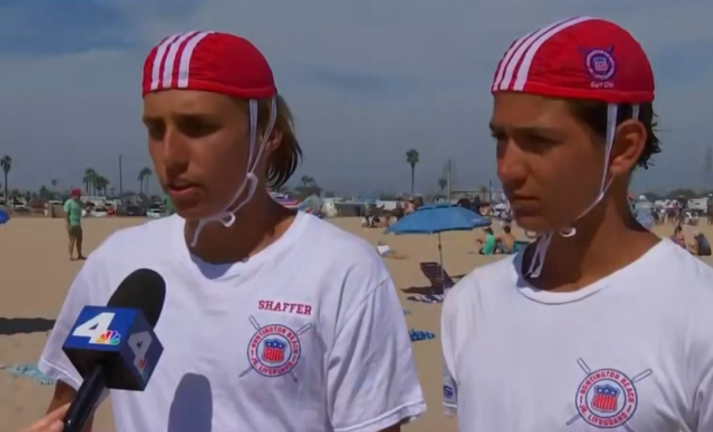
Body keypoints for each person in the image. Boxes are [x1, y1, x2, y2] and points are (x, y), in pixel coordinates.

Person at [30, 31, 424, 432]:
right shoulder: (116, 264)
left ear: (267, 133)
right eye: (155, 129)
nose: (171, 157)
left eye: (197, 127)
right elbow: (69, 408)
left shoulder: (343, 272)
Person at [441, 17, 713, 432]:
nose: (507, 168)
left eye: (538, 142)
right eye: (499, 139)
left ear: (623, 147)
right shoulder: (470, 304)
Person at [63, 188, 85, 260]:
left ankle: (79, 254)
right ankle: (70, 255)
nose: (79, 196)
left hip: (78, 224)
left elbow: (84, 207)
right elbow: (66, 215)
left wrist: (87, 208)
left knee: (79, 240)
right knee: (72, 240)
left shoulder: (79, 202)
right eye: (78, 195)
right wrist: (68, 224)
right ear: (74, 195)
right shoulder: (68, 203)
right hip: (71, 224)